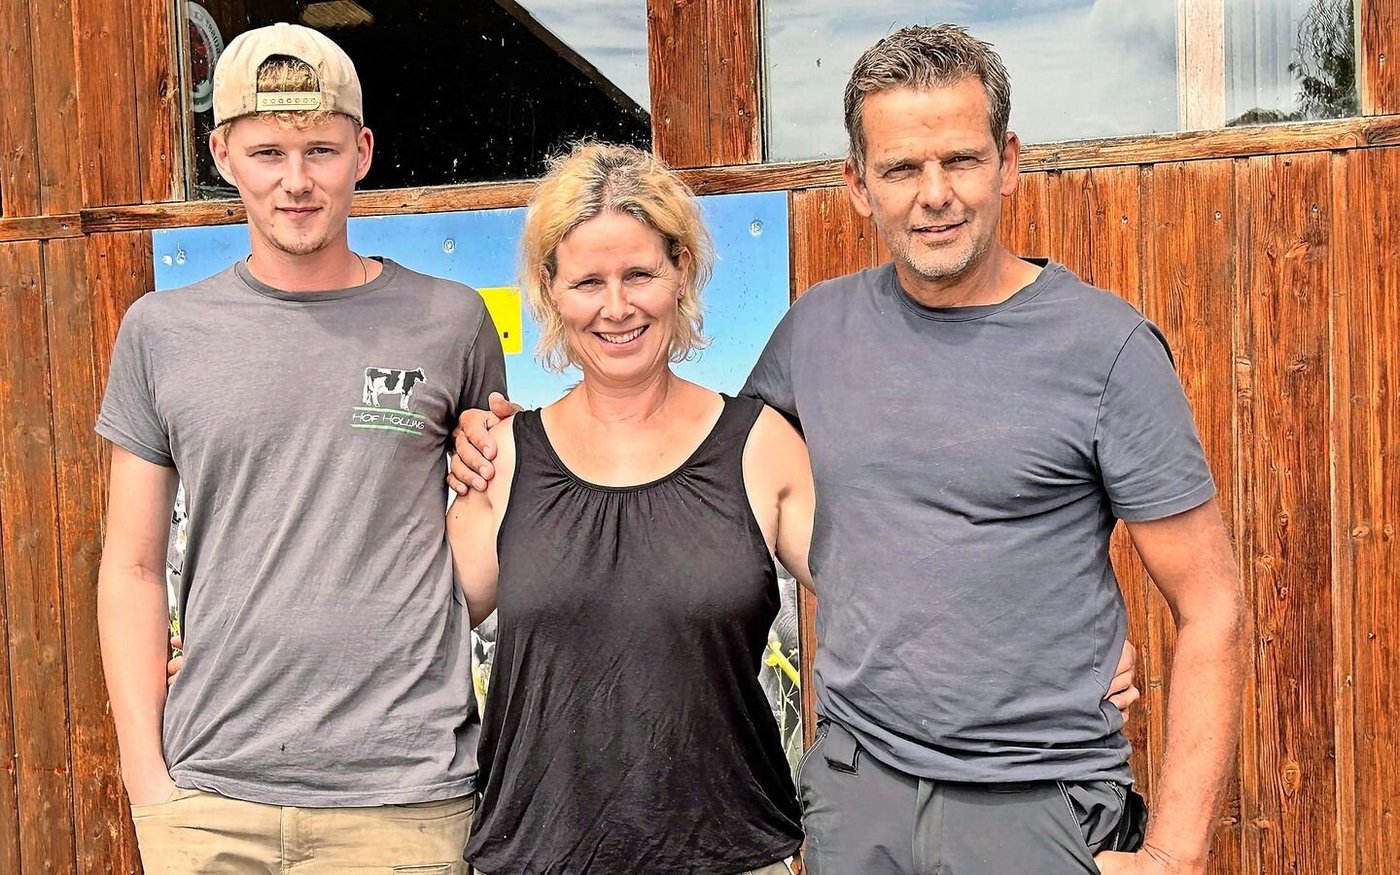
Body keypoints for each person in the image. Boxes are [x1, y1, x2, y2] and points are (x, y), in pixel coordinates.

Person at [452, 24, 1246, 875]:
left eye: (961, 160)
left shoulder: (1107, 349)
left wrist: (1174, 851)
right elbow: (679, 473)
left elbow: (1214, 608)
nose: (934, 193)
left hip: (1034, 800)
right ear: (858, 185)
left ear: (1009, 162)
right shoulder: (816, 336)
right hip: (858, 796)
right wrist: (487, 443)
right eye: (902, 167)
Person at [96, 23, 504, 874]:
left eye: (320, 149)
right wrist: (148, 779)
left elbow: (482, 537)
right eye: (268, 150)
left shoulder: (450, 321)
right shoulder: (160, 331)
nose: (295, 181)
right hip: (212, 799)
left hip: (402, 798)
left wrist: (493, 472)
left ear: (361, 151)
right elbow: (131, 564)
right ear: (222, 153)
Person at [445, 141, 814, 874]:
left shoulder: (760, 444)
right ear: (550, 289)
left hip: (732, 853)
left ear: (680, 270)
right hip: (537, 857)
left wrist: (1056, 655)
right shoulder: (502, 457)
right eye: (588, 281)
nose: (617, 307)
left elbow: (883, 595)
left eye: (639, 273)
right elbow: (411, 621)